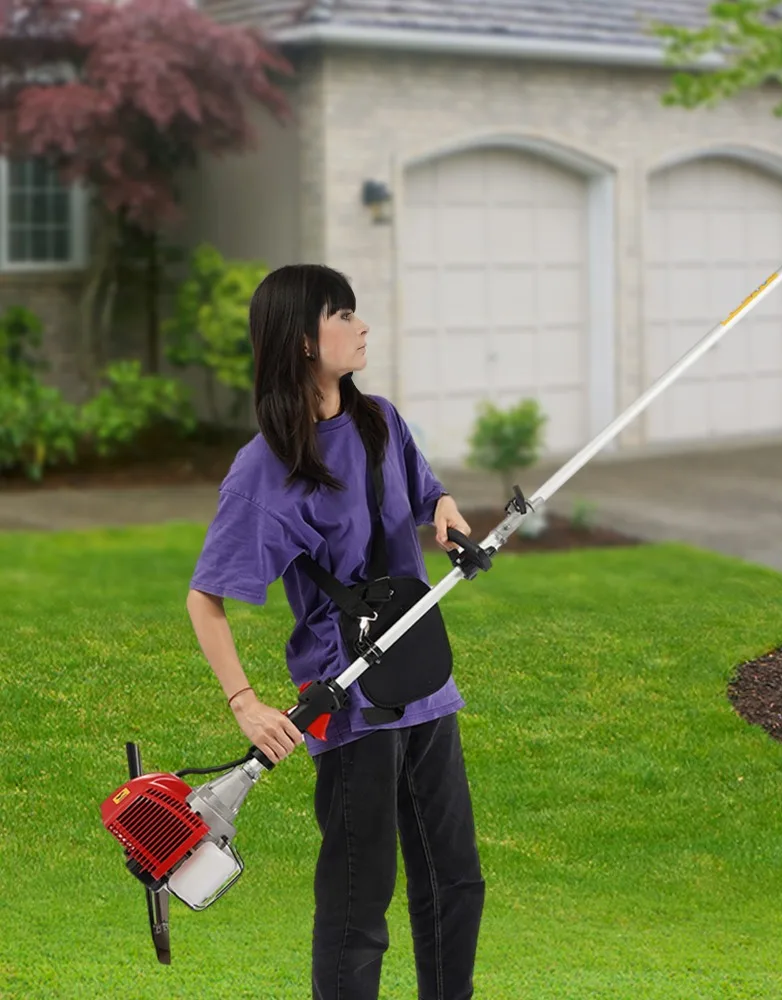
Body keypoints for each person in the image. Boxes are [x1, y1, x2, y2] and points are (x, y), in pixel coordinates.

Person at [185, 263, 487, 1000]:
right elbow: (205, 599)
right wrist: (246, 706)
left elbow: (424, 493)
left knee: (456, 881)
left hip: (424, 682)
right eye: (342, 314)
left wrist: (445, 514)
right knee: (361, 904)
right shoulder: (266, 470)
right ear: (301, 342)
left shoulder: (378, 419)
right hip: (348, 703)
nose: (361, 326)